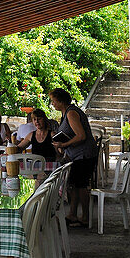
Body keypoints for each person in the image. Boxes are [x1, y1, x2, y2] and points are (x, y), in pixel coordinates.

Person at [49, 87, 97, 227]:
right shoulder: (65, 113)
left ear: (61, 100)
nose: (52, 104)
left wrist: (64, 144)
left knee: (81, 186)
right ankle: (73, 214)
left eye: (54, 101)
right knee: (73, 185)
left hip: (84, 155)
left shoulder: (71, 113)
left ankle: (86, 218)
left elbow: (81, 136)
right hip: (76, 156)